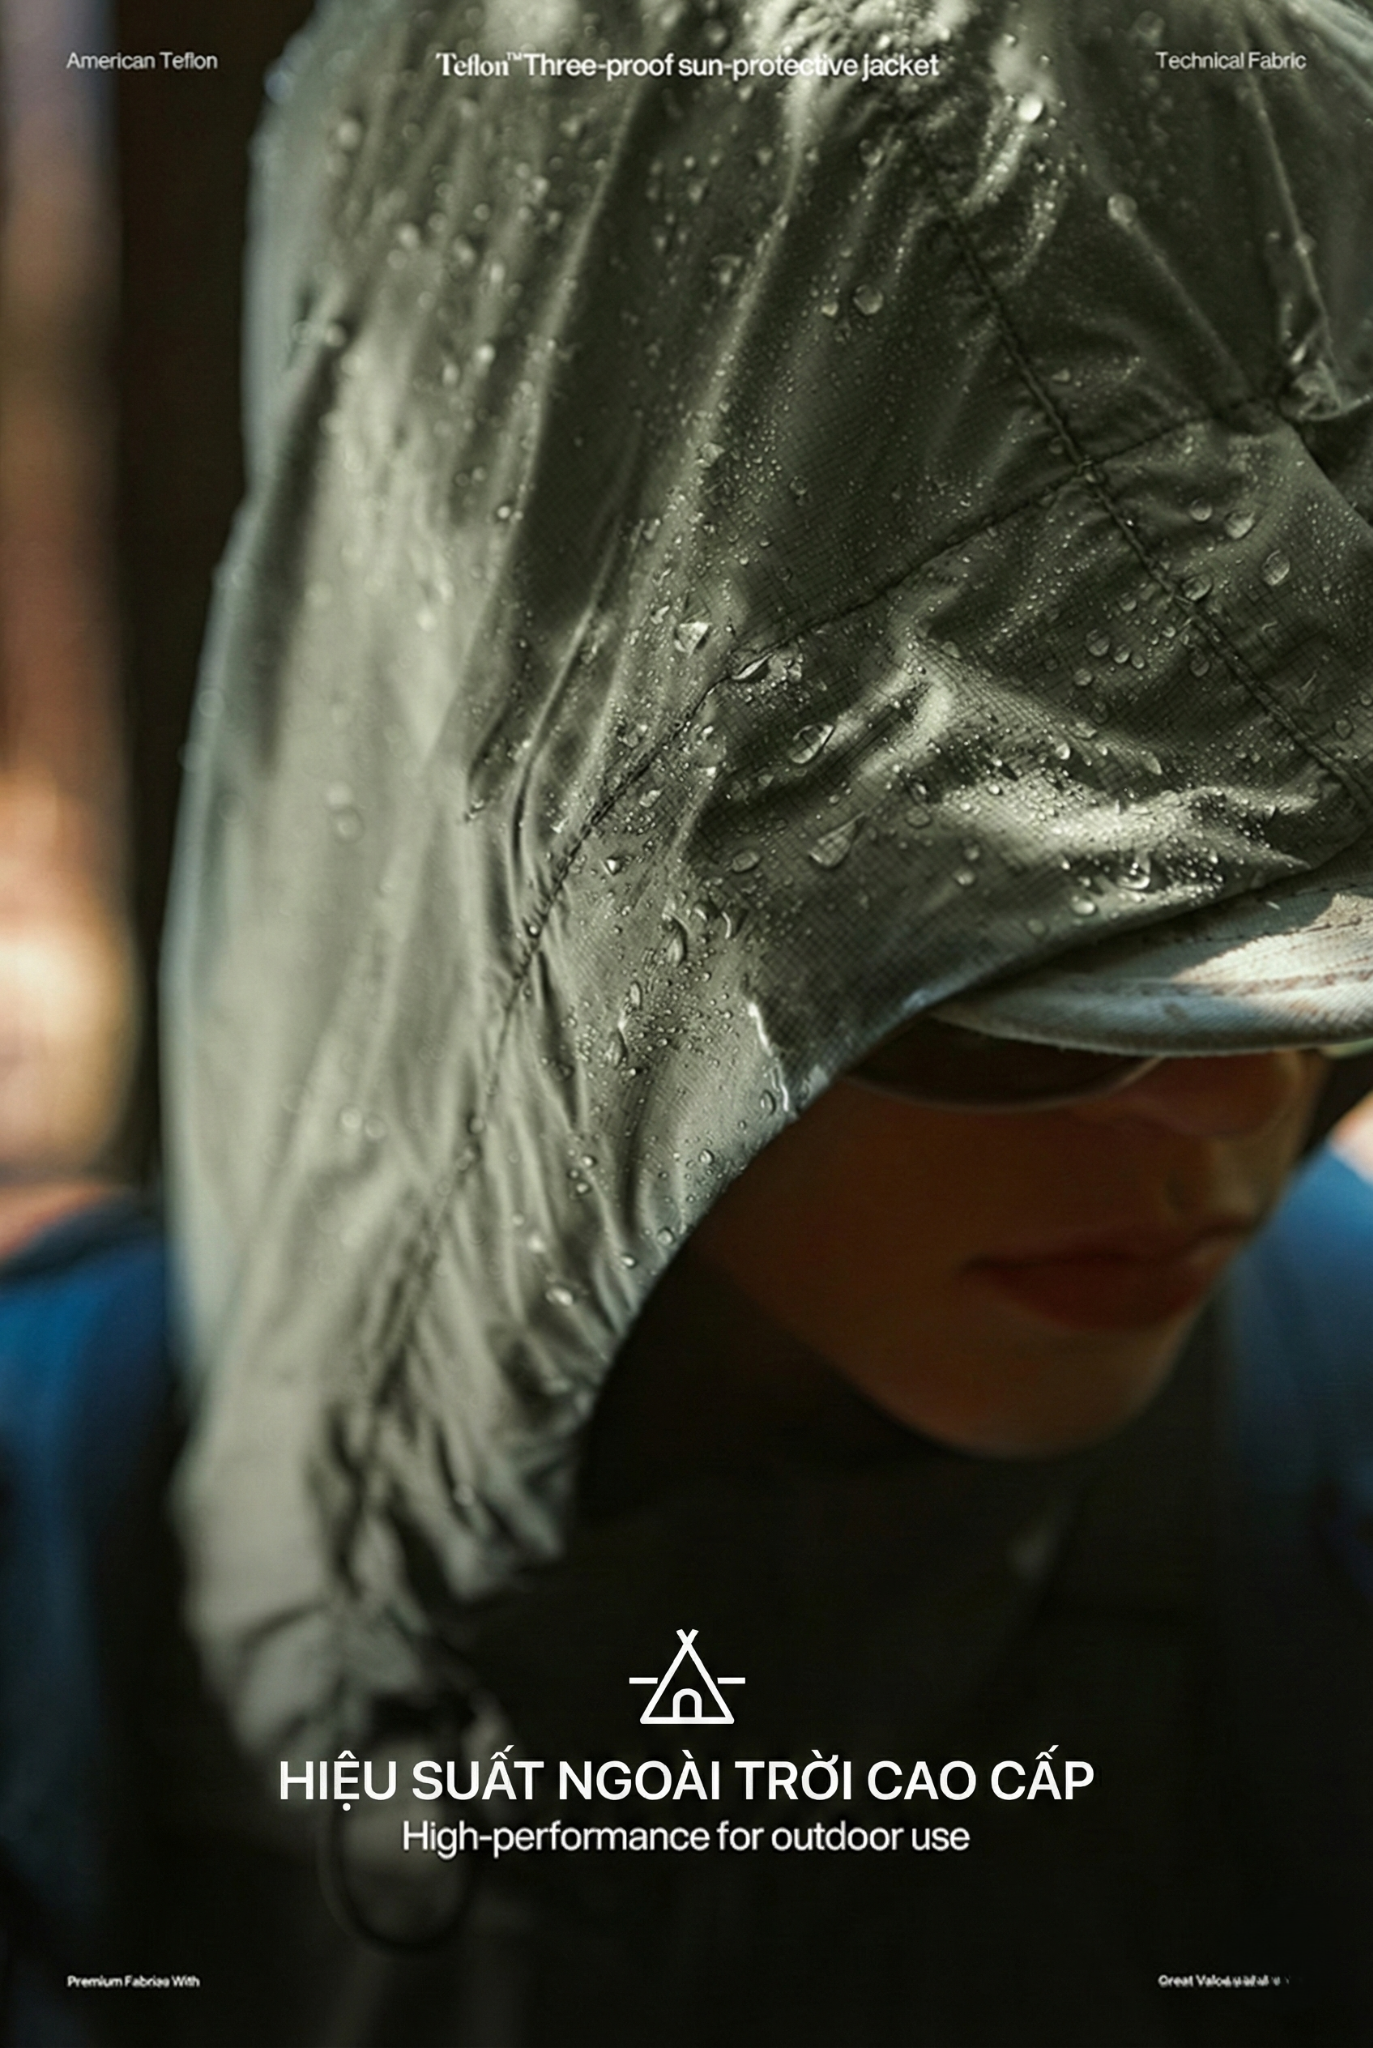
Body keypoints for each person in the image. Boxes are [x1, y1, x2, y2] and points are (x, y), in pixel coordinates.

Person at [159, 0, 1373, 2040]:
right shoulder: (60, 1599)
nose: (1239, 1098)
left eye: (1334, 931)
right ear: (506, 854)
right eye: (983, 955)